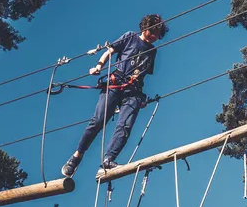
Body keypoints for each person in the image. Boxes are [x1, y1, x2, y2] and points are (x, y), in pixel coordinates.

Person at [61, 14, 168, 177]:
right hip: (115, 83)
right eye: (152, 32)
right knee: (97, 121)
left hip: (133, 91)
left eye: (157, 34)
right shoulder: (130, 37)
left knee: (125, 126)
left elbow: (143, 74)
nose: (154, 37)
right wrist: (98, 66)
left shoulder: (152, 51)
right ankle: (77, 156)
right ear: (145, 27)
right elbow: (109, 52)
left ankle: (108, 160)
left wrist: (142, 98)